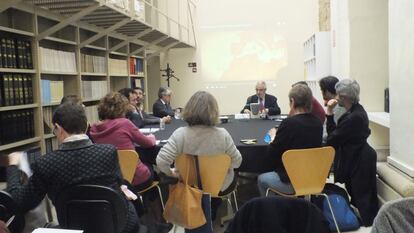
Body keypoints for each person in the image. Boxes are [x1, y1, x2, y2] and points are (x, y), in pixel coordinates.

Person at [5, 103, 140, 233]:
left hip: (73, 229)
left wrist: (12, 166)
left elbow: (19, 201)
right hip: (119, 226)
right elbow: (118, 183)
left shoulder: (47, 163)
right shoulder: (109, 152)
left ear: (59, 128)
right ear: (86, 125)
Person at [156, 91, 242, 219]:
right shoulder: (222, 135)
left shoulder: (181, 134)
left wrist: (172, 173)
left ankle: (201, 215)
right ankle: (210, 211)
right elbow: (237, 162)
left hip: (188, 185)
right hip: (219, 186)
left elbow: (161, 161)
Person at [325, 79, 378, 226]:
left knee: (362, 199)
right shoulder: (356, 111)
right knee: (360, 197)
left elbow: (332, 139)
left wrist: (329, 113)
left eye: (337, 94)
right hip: (360, 157)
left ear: (343, 97)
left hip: (360, 160)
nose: (335, 97)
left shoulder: (354, 117)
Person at [257, 84, 323, 196]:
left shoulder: (289, 124)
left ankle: (272, 210)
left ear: (292, 101)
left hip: (290, 180)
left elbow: (271, 157)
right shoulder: (318, 123)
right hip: (313, 179)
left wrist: (272, 138)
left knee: (261, 178)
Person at [89, 93, 156, 190]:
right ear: (122, 108)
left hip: (111, 182)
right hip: (135, 179)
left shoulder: (94, 129)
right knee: (150, 166)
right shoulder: (124, 123)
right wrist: (151, 137)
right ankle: (147, 202)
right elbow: (147, 143)